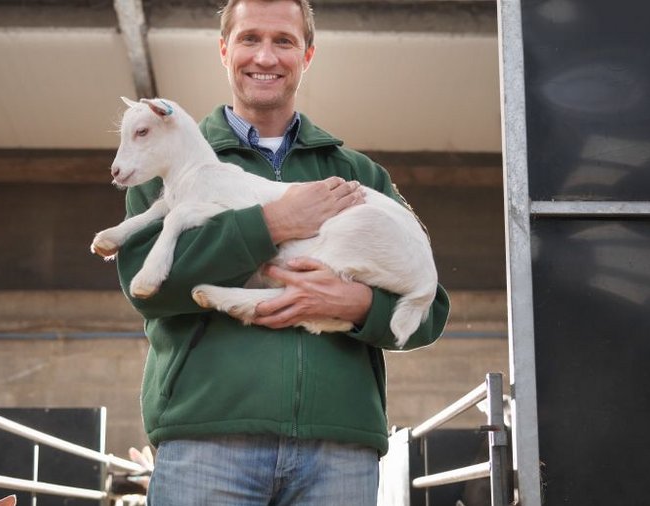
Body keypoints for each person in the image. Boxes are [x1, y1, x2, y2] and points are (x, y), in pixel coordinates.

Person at [115, 0, 451, 503]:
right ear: (224, 50)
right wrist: (272, 223)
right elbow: (149, 288)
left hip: (337, 452)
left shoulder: (358, 174)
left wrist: (357, 304)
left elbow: (428, 310)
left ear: (307, 55)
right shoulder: (167, 160)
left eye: (284, 41)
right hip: (207, 443)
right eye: (250, 39)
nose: (265, 57)